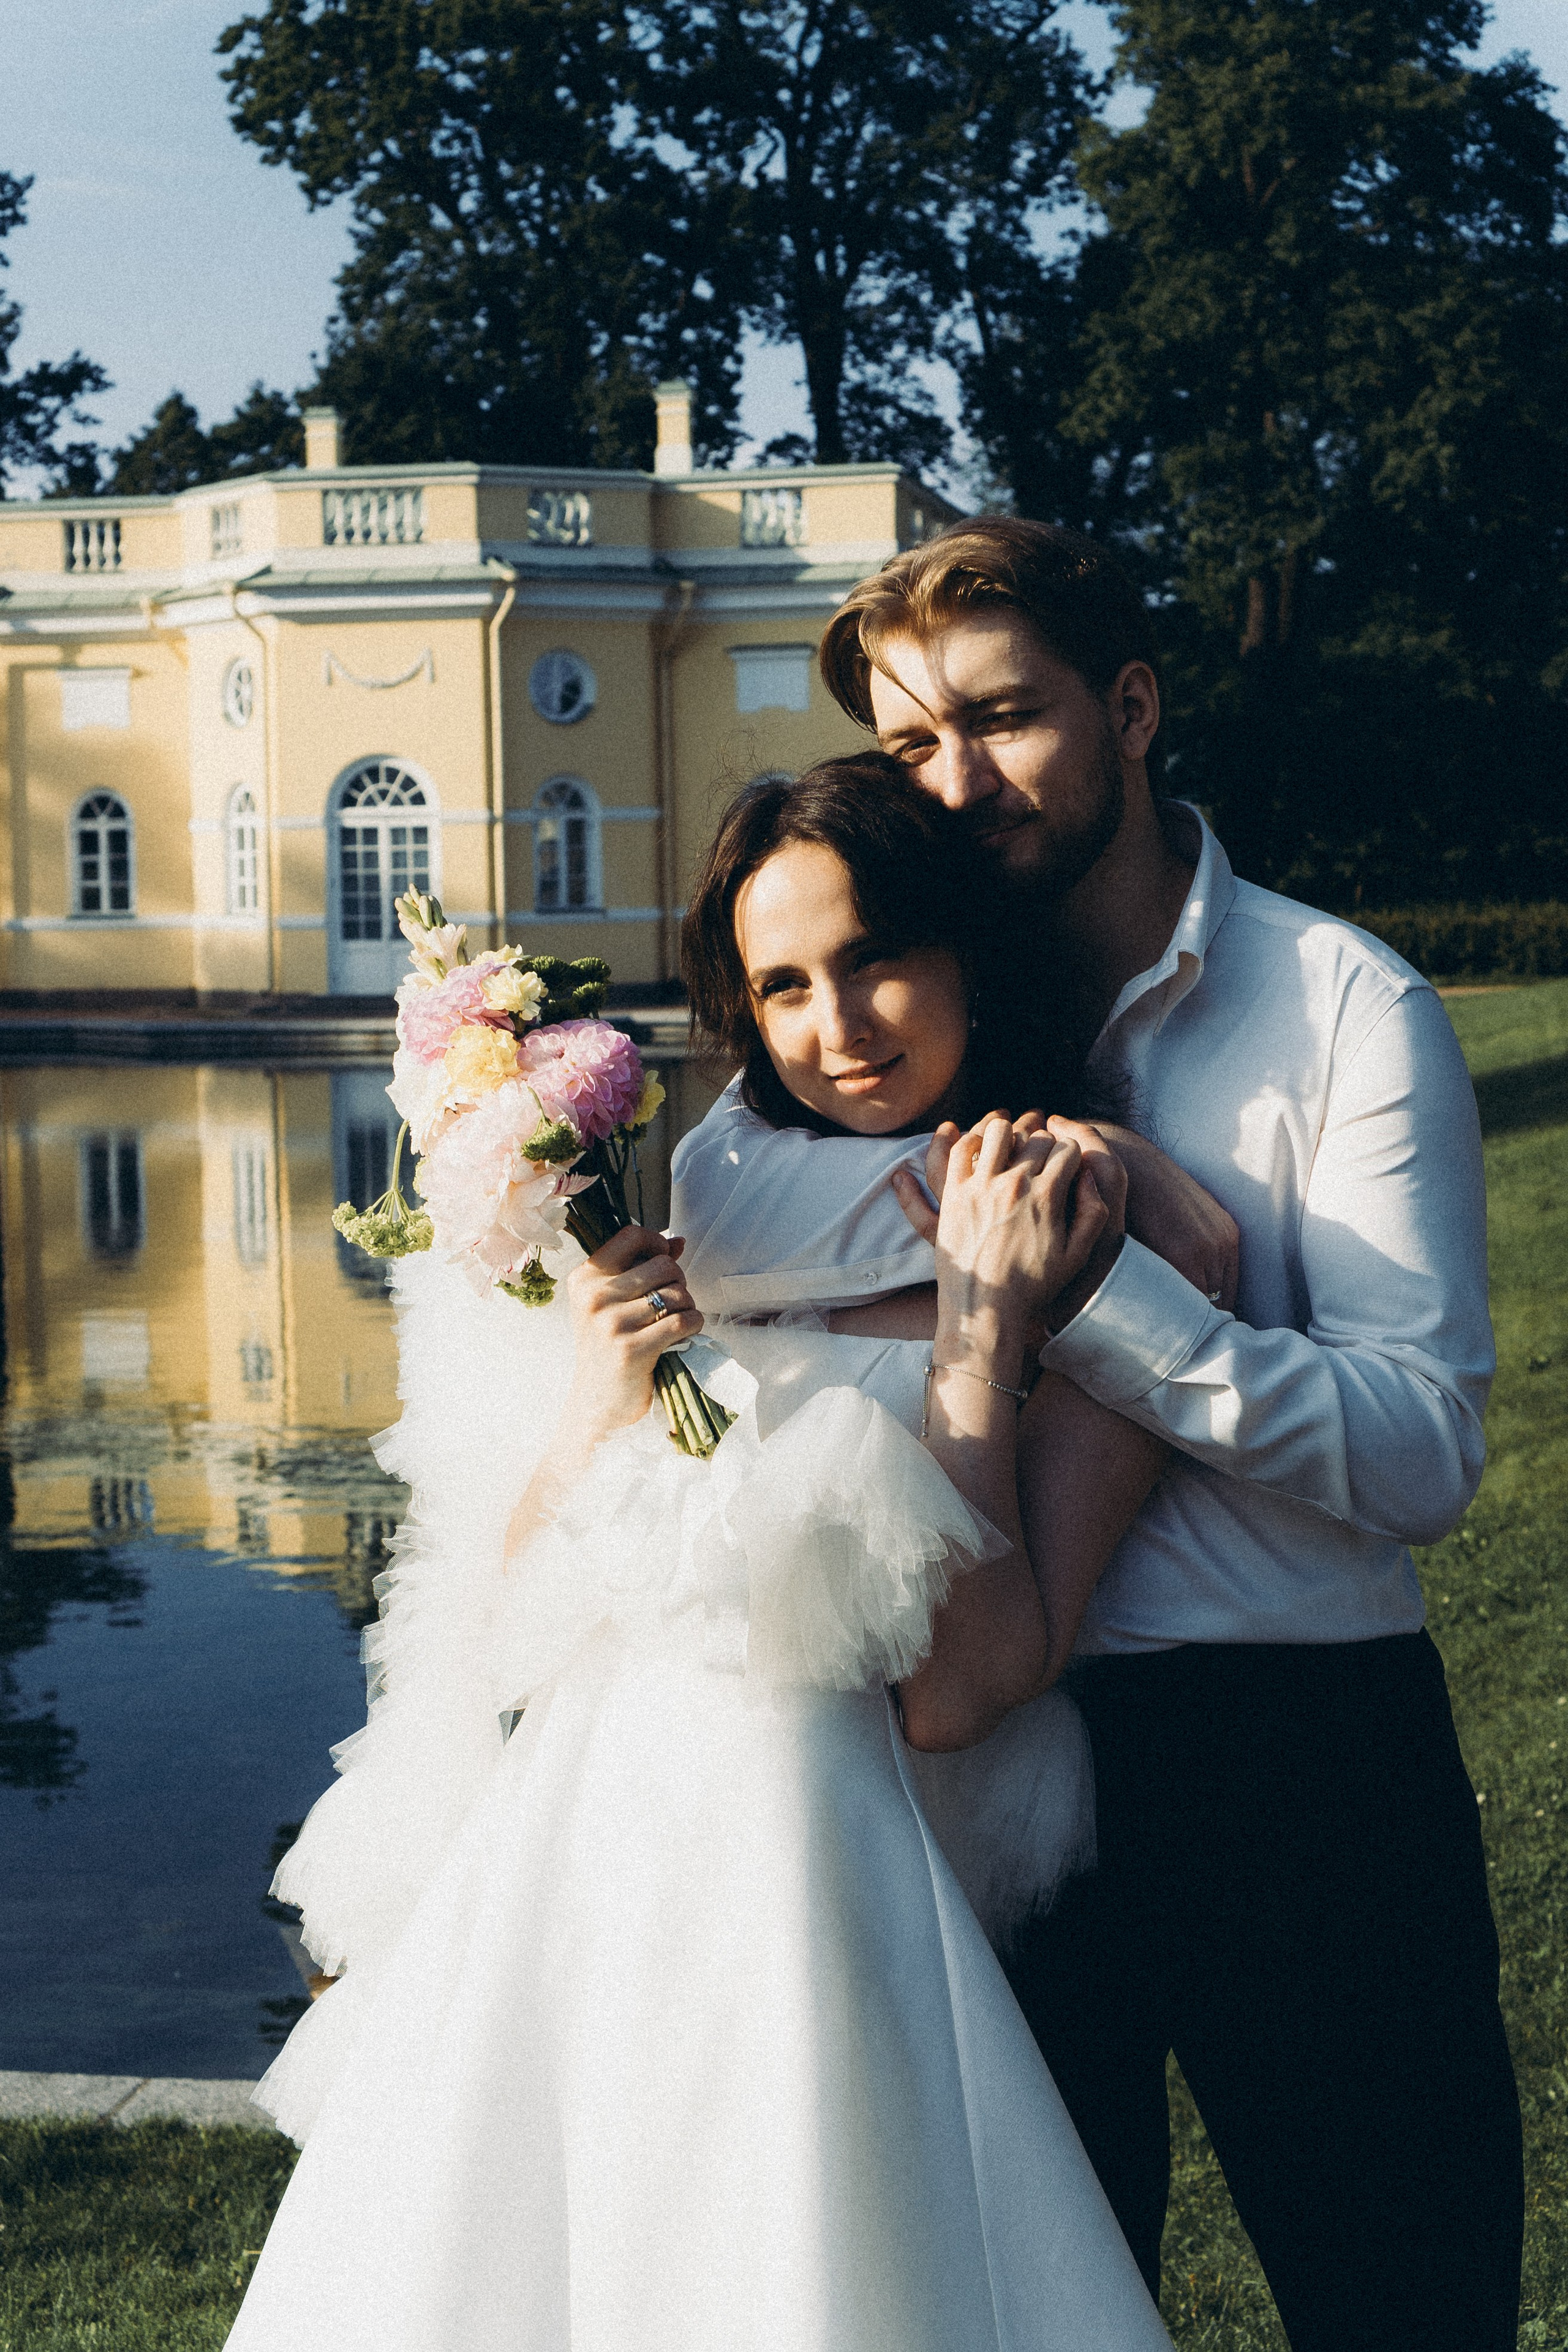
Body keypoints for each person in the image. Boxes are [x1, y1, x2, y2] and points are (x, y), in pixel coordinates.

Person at [225, 759, 1202, 2352]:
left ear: (965, 951)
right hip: (572, 1888)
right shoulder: (706, 1226)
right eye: (785, 986)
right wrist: (607, 1393)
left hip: (805, 1903)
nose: (845, 1023)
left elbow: (963, 1689)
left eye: (878, 953)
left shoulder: (1085, 1261)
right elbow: (522, 1634)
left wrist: (979, 1334)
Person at [814, 516, 1524, 2352]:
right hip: (997, 1779)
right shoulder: (900, 1021)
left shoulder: (1345, 1005)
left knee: (1400, 2305)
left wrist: (1114, 1294)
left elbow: (1424, 1452)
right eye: (910, 746)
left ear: (1131, 705)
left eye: (1003, 717)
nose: (955, 783)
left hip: (1299, 1764)